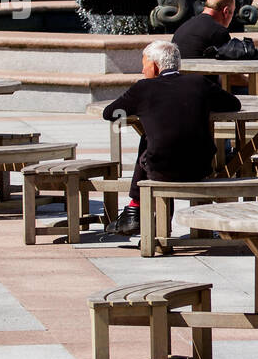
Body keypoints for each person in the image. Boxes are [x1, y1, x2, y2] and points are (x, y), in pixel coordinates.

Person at [101, 40, 240, 235]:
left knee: (150, 142)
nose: (142, 71)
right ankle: (134, 210)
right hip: (200, 167)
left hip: (162, 170)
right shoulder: (199, 83)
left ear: (155, 66)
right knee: (151, 139)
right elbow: (233, 104)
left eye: (144, 65)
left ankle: (134, 210)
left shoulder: (143, 89)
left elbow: (110, 113)